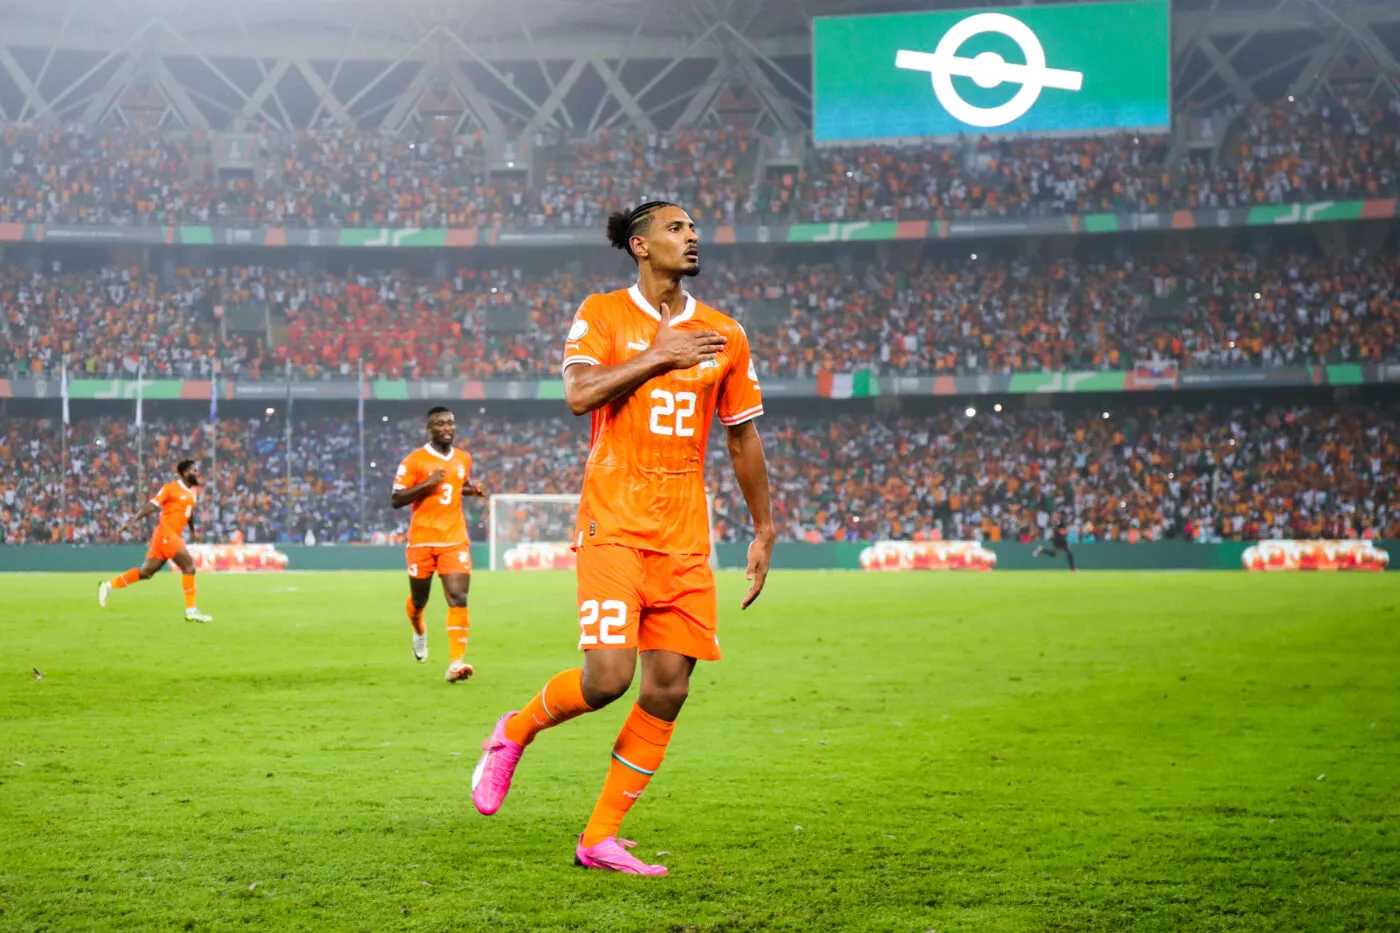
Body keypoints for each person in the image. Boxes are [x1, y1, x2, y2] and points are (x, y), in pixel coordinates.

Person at [470, 200, 776, 875]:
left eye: (695, 228)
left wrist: (762, 525)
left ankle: (599, 837)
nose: (692, 236)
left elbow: (743, 433)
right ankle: (512, 732)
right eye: (676, 227)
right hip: (612, 525)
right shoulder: (602, 314)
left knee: (666, 688)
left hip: (685, 537)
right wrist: (657, 355)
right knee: (607, 678)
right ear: (640, 245)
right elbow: (580, 394)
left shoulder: (726, 332)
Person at [391, 406, 486, 681]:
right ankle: (418, 627)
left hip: (454, 539)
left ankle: (456, 663)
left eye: (450, 423)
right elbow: (396, 499)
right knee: (420, 599)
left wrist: (472, 490)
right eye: (440, 424)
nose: (446, 427)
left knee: (458, 597)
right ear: (429, 429)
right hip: (421, 540)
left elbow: (453, 486)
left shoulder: (463, 458)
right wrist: (426, 484)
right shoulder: (414, 461)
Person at [98, 459, 214, 622]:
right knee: (189, 566)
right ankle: (191, 611)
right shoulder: (170, 488)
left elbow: (189, 512)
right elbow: (152, 506)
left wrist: (193, 531)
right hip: (166, 534)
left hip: (167, 536)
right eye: (194, 470)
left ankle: (108, 585)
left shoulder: (192, 493)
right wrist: (133, 520)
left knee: (146, 572)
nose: (197, 473)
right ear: (185, 473)